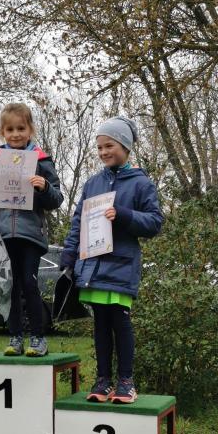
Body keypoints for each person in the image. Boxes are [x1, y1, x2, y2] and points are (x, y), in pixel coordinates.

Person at [60, 117, 163, 404]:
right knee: (101, 324)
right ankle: (103, 380)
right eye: (100, 147)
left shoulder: (141, 183)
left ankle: (126, 381)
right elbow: (78, 222)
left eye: (110, 146)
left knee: (120, 321)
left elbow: (155, 222)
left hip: (121, 266)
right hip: (93, 266)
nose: (104, 152)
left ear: (125, 147)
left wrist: (125, 215)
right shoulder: (92, 183)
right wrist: (69, 255)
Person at [0, 103, 63, 357]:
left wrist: (44, 187)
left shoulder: (41, 160)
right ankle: (15, 337)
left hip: (30, 235)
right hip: (4, 236)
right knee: (9, 286)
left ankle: (38, 337)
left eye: (21, 128)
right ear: (3, 132)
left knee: (29, 283)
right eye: (10, 129)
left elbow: (56, 199)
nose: (15, 134)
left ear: (30, 129)